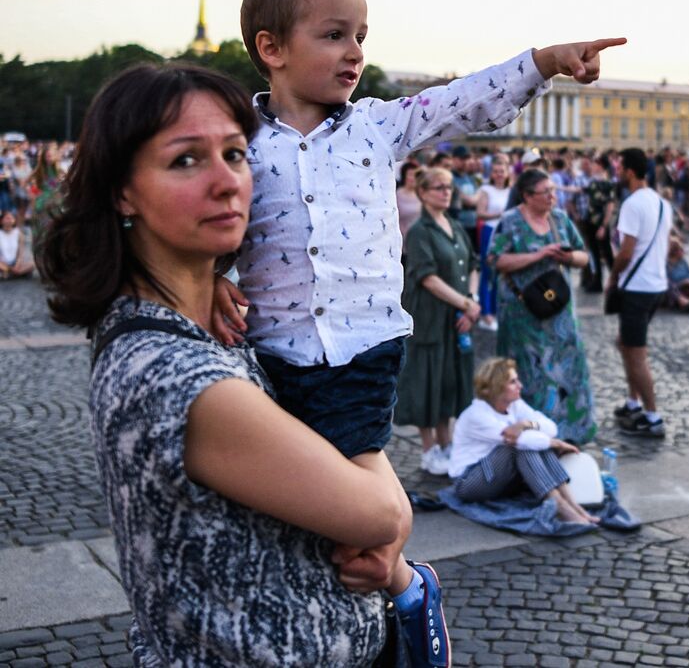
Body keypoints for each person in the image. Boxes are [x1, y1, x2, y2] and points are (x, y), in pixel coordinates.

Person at [213, 0, 624, 662]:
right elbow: (216, 220)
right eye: (335, 34)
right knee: (288, 512)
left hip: (363, 352)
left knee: (367, 520)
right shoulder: (238, 143)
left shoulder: (378, 127)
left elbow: (460, 102)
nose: (355, 53)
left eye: (362, 36)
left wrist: (543, 62)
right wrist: (216, 276)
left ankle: (408, 587)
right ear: (271, 48)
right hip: (270, 354)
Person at [42, 63, 422, 666]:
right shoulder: (176, 377)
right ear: (122, 190)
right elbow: (377, 512)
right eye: (185, 160)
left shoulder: (206, 328)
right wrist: (393, 525)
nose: (228, 182)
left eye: (236, 154)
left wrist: (220, 277)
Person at [490, 167, 594, 443]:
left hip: (558, 313)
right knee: (529, 372)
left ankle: (570, 431)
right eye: (545, 192)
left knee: (569, 368)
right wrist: (539, 255)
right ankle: (528, 434)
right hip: (522, 315)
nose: (552, 196)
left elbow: (585, 256)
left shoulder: (560, 219)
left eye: (553, 190)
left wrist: (569, 257)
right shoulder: (510, 221)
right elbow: (497, 261)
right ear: (526, 196)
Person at [400, 167, 481, 476]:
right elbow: (428, 278)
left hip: (456, 316)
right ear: (423, 193)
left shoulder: (455, 226)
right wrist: (465, 304)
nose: (446, 192)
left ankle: (448, 444)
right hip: (430, 316)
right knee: (427, 379)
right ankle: (428, 448)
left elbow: (473, 265)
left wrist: (470, 302)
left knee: (449, 379)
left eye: (449, 187)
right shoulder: (420, 231)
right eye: (438, 187)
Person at [448, 358, 597, 525]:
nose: (520, 385)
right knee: (520, 446)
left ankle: (573, 504)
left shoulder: (515, 405)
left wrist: (526, 424)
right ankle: (560, 506)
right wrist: (556, 443)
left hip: (500, 479)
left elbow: (551, 428)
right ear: (497, 388)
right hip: (469, 483)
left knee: (535, 443)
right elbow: (520, 440)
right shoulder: (476, 415)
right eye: (513, 382)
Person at [608, 148, 673, 437]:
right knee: (626, 343)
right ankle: (633, 402)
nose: (617, 172)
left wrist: (612, 276)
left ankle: (652, 415)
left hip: (636, 287)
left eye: (620, 167)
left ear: (630, 171)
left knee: (636, 354)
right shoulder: (661, 203)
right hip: (656, 284)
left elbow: (626, 252)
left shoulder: (632, 205)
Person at [473, 158, 515, 331]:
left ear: (507, 173)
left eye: (502, 171)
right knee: (487, 271)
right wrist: (499, 214)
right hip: (490, 231)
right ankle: (486, 312)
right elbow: (480, 213)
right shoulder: (486, 189)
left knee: (503, 273)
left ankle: (498, 309)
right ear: (492, 174)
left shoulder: (511, 191)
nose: (499, 174)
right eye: (496, 171)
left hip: (506, 233)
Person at [578, 154, 618, 293]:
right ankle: (598, 282)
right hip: (590, 221)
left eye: (595, 164)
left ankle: (616, 282)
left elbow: (610, 206)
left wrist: (603, 226)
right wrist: (557, 187)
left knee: (607, 254)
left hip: (600, 223)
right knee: (594, 253)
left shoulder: (609, 184)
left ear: (601, 166)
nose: (592, 166)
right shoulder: (593, 182)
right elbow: (580, 190)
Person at [0, 210, 34, 279]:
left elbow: (20, 253)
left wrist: (17, 264)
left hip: (15, 263)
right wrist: (7, 267)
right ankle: (15, 273)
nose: (9, 220)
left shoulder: (18, 233)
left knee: (33, 264)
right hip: (2, 264)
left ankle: (10, 274)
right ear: (1, 221)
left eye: (11, 218)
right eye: (7, 218)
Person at [397, 159, 423, 237]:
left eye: (416, 175)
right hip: (403, 236)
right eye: (411, 174)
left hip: (420, 236)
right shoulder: (397, 195)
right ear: (404, 176)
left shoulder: (421, 194)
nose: (413, 178)